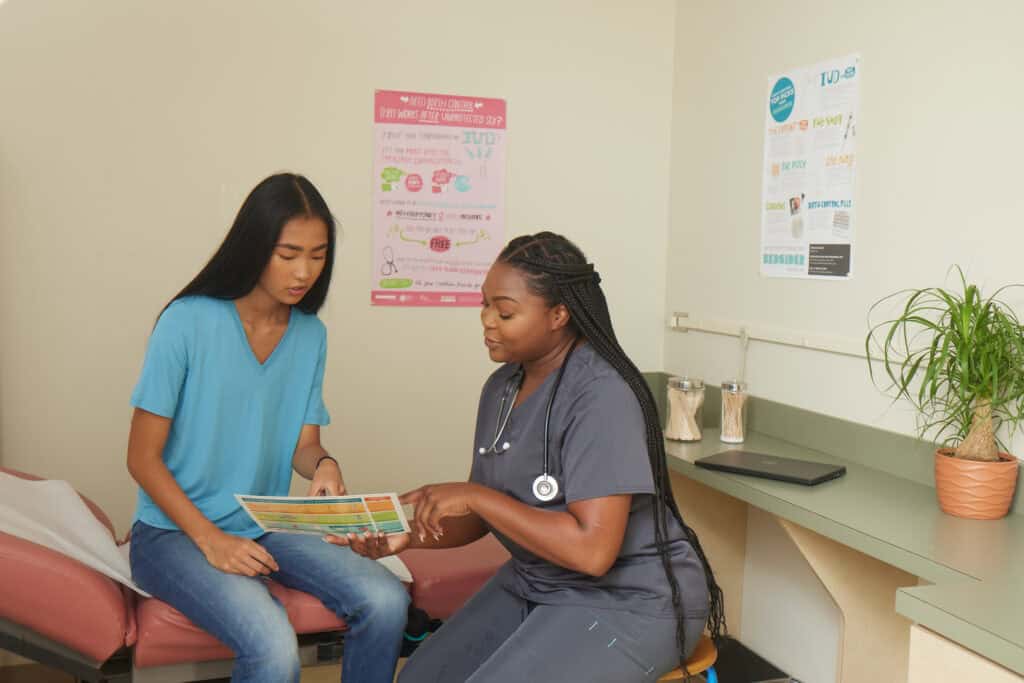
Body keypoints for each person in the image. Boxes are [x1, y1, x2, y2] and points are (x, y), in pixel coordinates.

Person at [330, 231, 725, 682]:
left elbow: (593, 551)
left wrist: (477, 497)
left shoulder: (601, 394)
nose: (487, 321)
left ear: (559, 314)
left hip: (634, 598)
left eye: (505, 311)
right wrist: (407, 535)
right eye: (484, 306)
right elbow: (482, 517)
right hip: (539, 579)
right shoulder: (501, 388)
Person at [126, 173, 409, 683]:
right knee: (273, 645)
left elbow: (304, 445)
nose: (304, 271)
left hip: (266, 522)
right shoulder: (186, 322)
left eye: (319, 255)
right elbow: (141, 459)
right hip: (172, 535)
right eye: (288, 253)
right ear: (255, 247)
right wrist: (211, 539)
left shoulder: (310, 335)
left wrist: (324, 464)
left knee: (387, 600)